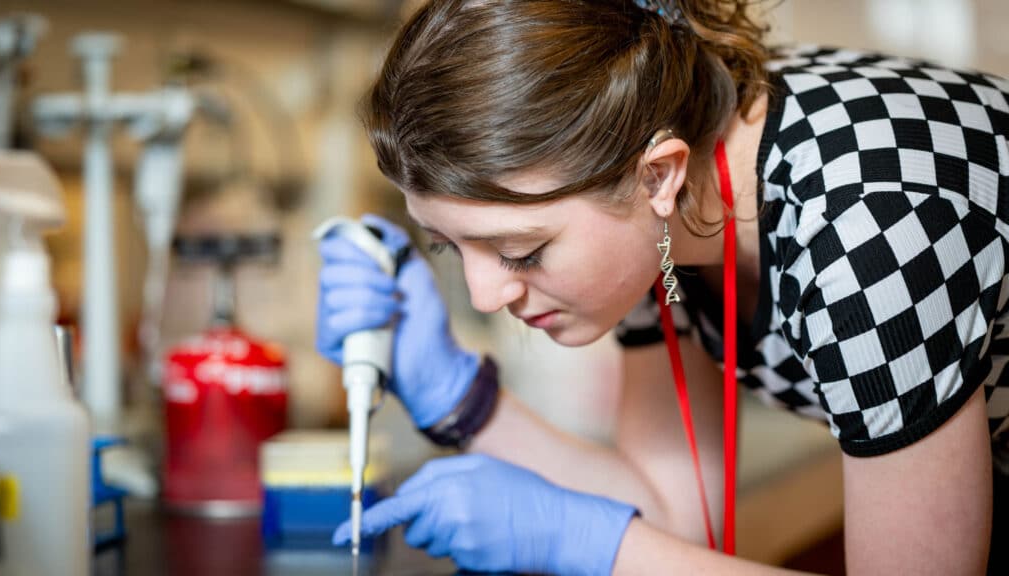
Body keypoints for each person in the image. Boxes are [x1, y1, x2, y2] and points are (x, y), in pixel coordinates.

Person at [315, 0, 1009, 574]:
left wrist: (587, 545)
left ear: (659, 174)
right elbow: (677, 519)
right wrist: (456, 393)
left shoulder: (869, 222)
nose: (485, 294)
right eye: (447, 243)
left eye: (519, 251)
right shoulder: (661, 223)